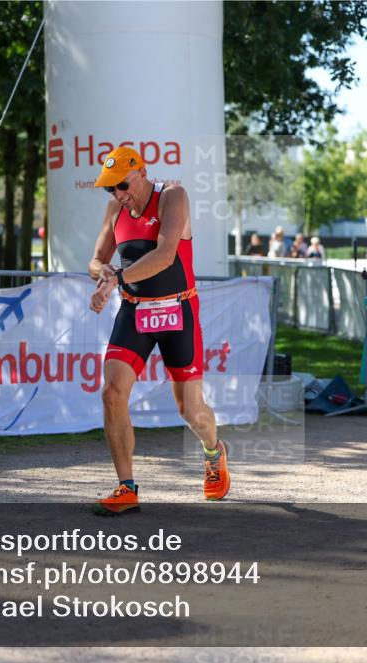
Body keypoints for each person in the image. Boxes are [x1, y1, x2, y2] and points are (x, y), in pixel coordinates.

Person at [87, 146, 230, 515]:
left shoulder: (172, 195)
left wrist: (116, 277)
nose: (118, 194)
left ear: (142, 171)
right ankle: (126, 487)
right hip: (134, 312)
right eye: (109, 189)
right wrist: (101, 276)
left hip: (177, 309)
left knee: (191, 411)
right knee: (112, 392)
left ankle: (214, 452)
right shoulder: (116, 209)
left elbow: (166, 255)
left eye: (122, 185)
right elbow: (96, 259)